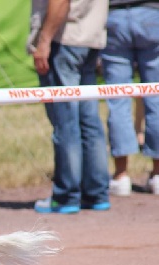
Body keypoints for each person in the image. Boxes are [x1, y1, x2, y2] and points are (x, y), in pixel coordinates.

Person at [28, 0, 111, 213]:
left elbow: (60, 2)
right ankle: (96, 193)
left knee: (66, 123)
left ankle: (66, 196)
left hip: (63, 40)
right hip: (91, 38)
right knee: (89, 119)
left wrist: (44, 41)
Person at [101, 1, 159, 196]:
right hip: (151, 14)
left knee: (118, 99)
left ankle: (121, 175)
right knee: (156, 98)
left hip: (115, 15)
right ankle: (158, 175)